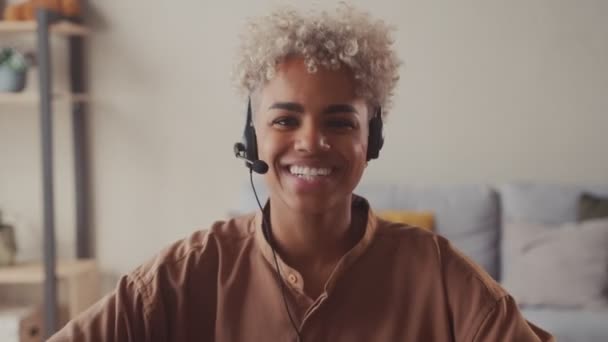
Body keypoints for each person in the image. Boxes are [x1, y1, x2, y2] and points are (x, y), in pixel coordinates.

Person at [50, 4, 554, 341]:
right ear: (253, 139)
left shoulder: (442, 278)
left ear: (371, 139)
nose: (311, 141)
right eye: (285, 119)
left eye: (339, 121)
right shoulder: (183, 276)